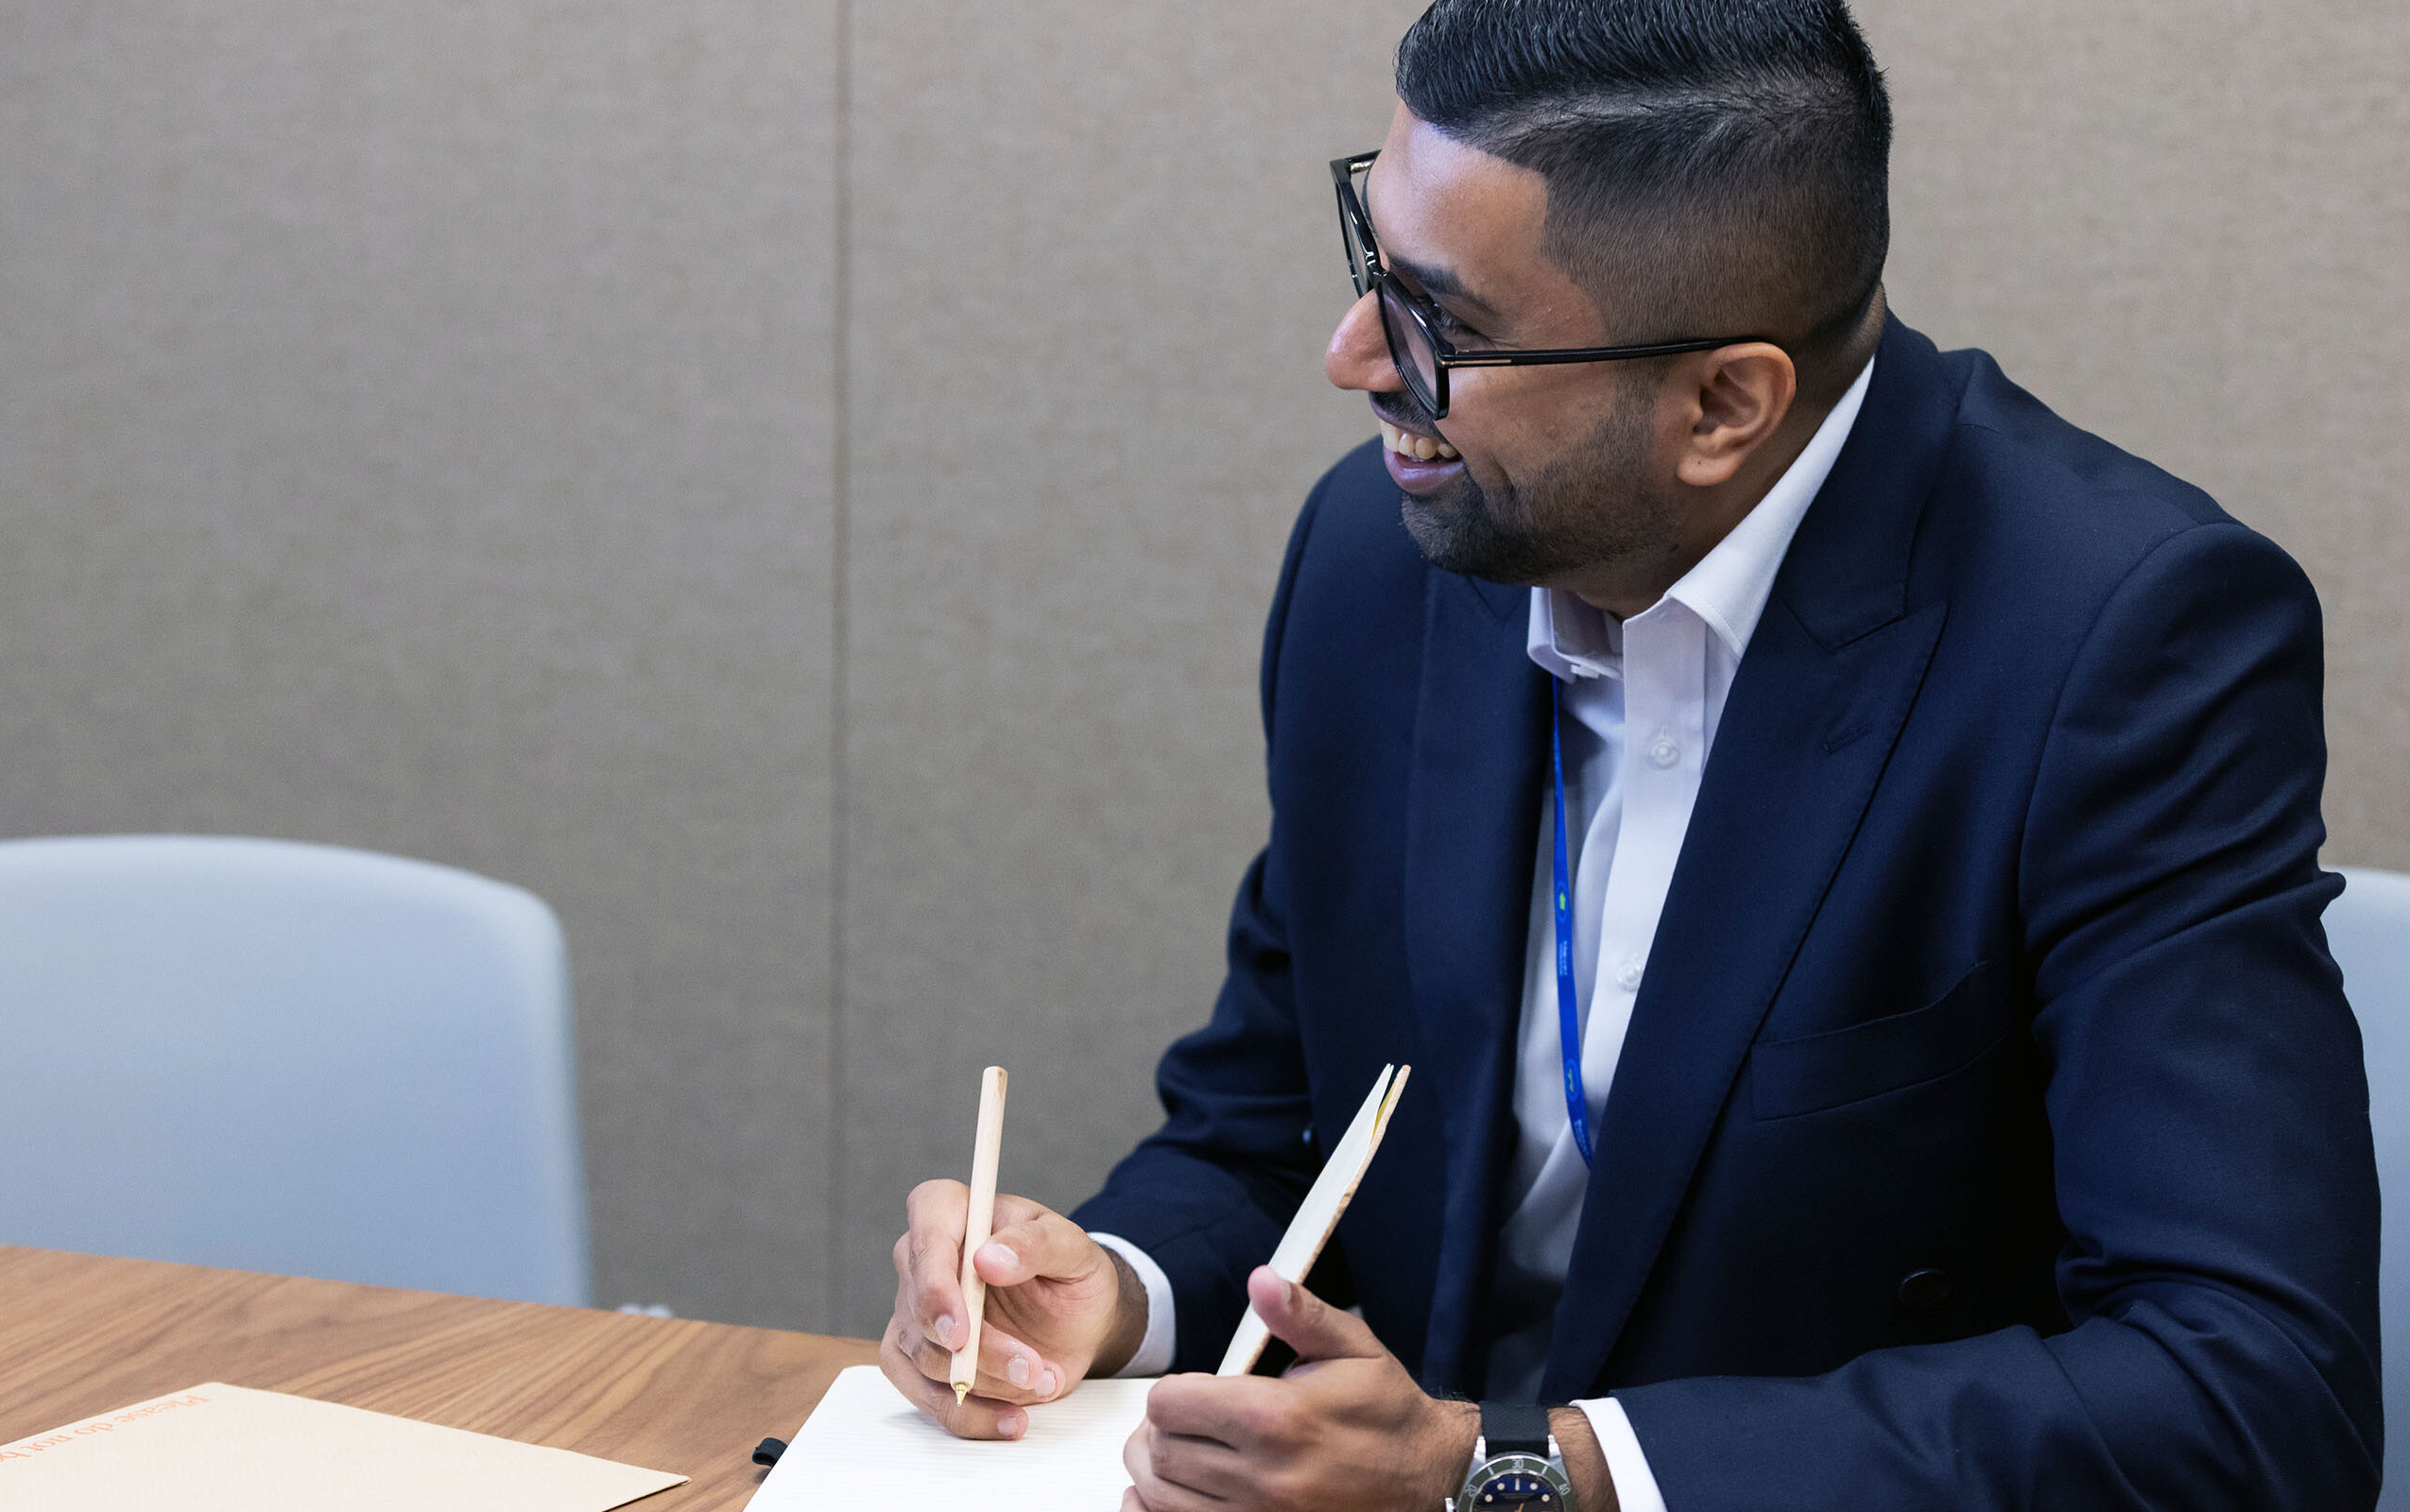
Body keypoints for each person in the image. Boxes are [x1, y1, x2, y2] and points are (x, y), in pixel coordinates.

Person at [877, 1, 2384, 1507]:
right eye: (1371, 268)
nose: (1352, 359)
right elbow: (1281, 1127)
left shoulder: (2117, 642)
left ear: (1724, 403)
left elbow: (2249, 1391)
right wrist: (1114, 1287)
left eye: (1440, 322)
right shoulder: (1387, 556)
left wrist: (1527, 1474)